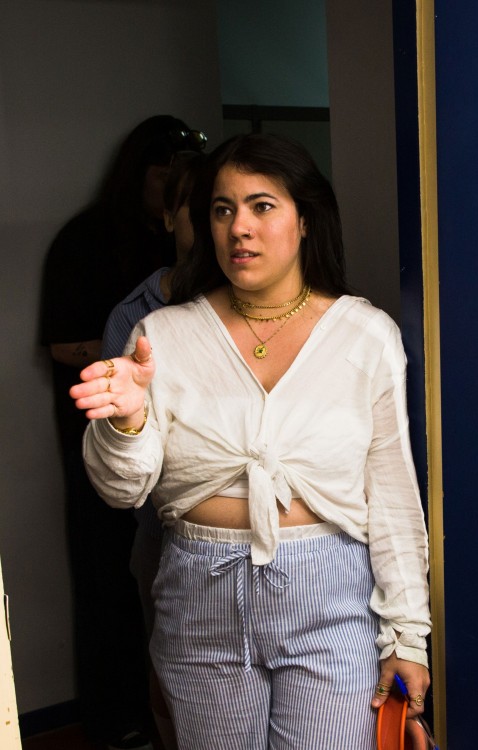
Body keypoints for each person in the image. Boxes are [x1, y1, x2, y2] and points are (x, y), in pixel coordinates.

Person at [69, 133, 431, 750]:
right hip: (198, 595)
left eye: (262, 206)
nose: (239, 227)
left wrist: (407, 636)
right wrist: (125, 422)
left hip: (331, 599)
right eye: (222, 209)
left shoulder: (365, 335)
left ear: (305, 219)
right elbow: (122, 490)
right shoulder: (163, 335)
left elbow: (394, 497)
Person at [40, 116, 206, 750]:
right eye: (199, 208)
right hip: (152, 510)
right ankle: (123, 724)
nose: (225, 228)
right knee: (141, 622)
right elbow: (65, 346)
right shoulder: (126, 296)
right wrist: (130, 374)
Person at [100, 150, 206, 750]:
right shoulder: (134, 317)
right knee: (170, 686)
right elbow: (120, 454)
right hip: (163, 534)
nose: (223, 225)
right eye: (202, 207)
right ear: (169, 217)